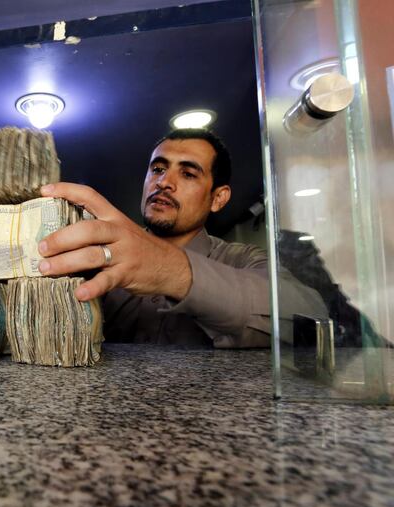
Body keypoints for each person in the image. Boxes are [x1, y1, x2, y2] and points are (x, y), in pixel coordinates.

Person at [36, 128, 327, 348]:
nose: (164, 182)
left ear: (218, 198)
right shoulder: (97, 259)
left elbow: (308, 314)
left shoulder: (242, 259)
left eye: (188, 174)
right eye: (158, 169)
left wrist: (169, 269)